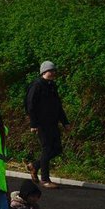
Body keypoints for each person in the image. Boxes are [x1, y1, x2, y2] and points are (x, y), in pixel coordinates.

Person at [26, 60, 69, 189]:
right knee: (47, 149)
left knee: (57, 149)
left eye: (54, 71)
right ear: (44, 72)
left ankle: (35, 165)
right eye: (51, 71)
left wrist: (65, 122)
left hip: (53, 123)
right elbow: (30, 105)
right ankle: (45, 180)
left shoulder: (52, 86)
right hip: (42, 123)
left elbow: (58, 105)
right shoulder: (37, 85)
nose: (53, 73)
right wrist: (33, 123)